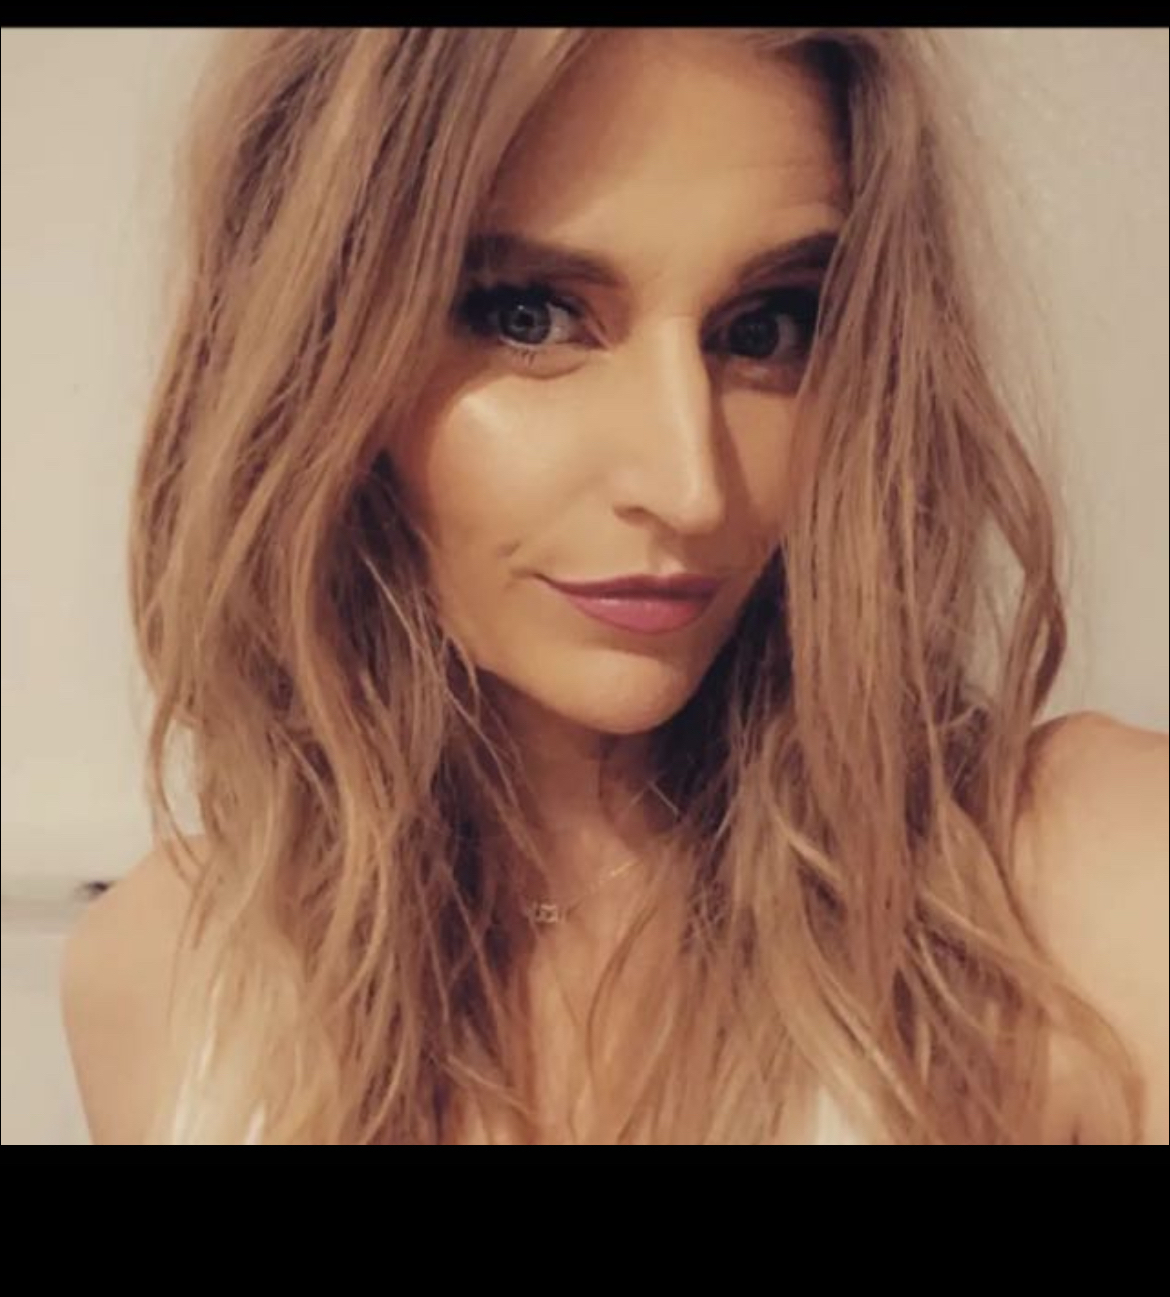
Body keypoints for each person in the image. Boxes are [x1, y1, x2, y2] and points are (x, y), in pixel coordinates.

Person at [60, 27, 1167, 1145]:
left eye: (766, 327)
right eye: (530, 316)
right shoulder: (160, 974)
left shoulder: (1080, 891)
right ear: (309, 355)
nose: (691, 487)